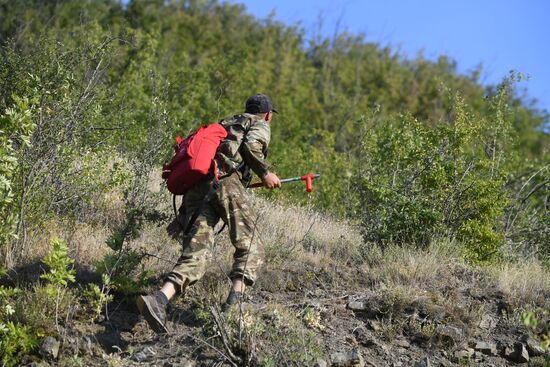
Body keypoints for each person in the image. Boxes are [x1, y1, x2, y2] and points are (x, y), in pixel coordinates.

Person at [137, 94, 281, 333]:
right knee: (252, 244)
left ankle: (159, 300)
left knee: (196, 254)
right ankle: (233, 309)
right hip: (225, 184)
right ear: (267, 114)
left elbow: (205, 164)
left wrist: (183, 214)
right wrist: (265, 173)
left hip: (198, 189)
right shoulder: (259, 124)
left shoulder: (225, 125)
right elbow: (250, 147)